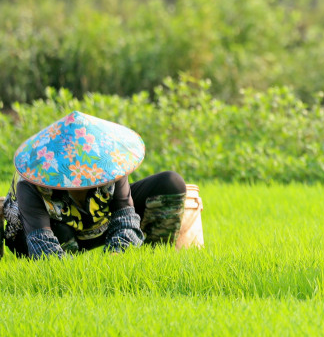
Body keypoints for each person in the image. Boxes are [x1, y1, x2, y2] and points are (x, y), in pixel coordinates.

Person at [2, 111, 187, 259]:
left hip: (94, 225)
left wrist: (116, 257)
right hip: (37, 234)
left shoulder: (110, 167)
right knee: (61, 232)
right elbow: (43, 248)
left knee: (171, 183)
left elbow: (126, 220)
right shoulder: (31, 184)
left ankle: (154, 257)